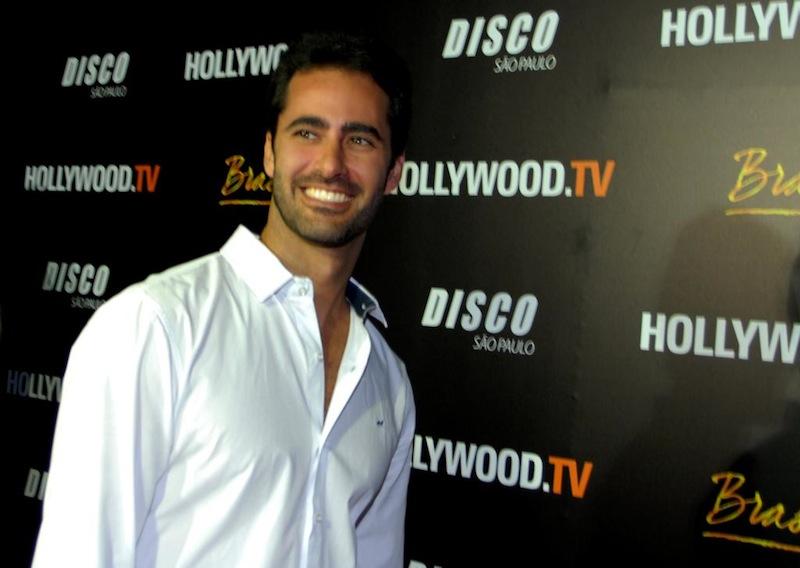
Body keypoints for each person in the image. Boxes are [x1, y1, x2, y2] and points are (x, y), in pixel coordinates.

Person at [32, 31, 415, 568]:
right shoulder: (153, 327)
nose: (331, 164)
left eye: (360, 140)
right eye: (308, 132)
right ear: (269, 153)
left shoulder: (387, 384)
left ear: (393, 173)